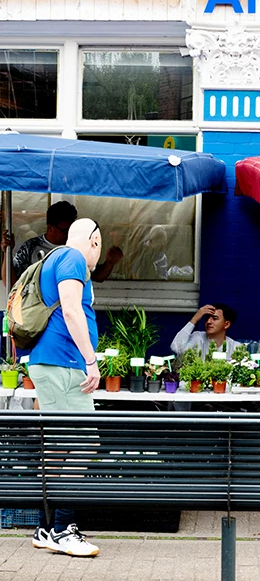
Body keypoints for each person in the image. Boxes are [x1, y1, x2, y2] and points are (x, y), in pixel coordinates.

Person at [28, 218, 102, 557]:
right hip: (63, 363)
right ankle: (63, 529)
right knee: (84, 443)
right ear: (94, 241)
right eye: (98, 244)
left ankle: (46, 527)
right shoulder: (72, 258)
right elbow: (71, 311)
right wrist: (90, 360)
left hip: (54, 363)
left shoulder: (54, 259)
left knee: (59, 449)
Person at [1, 200, 123, 285]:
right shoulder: (31, 247)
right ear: (50, 228)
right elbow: (11, 282)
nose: (69, 234)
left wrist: (109, 262)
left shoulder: (78, 247)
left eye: (72, 229)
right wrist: (7, 252)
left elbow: (97, 276)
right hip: (37, 313)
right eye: (65, 230)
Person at [170, 303, 239, 360]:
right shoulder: (197, 338)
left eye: (214, 318)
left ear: (226, 324)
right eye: (207, 318)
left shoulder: (236, 347)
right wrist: (195, 319)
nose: (208, 322)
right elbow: (176, 348)